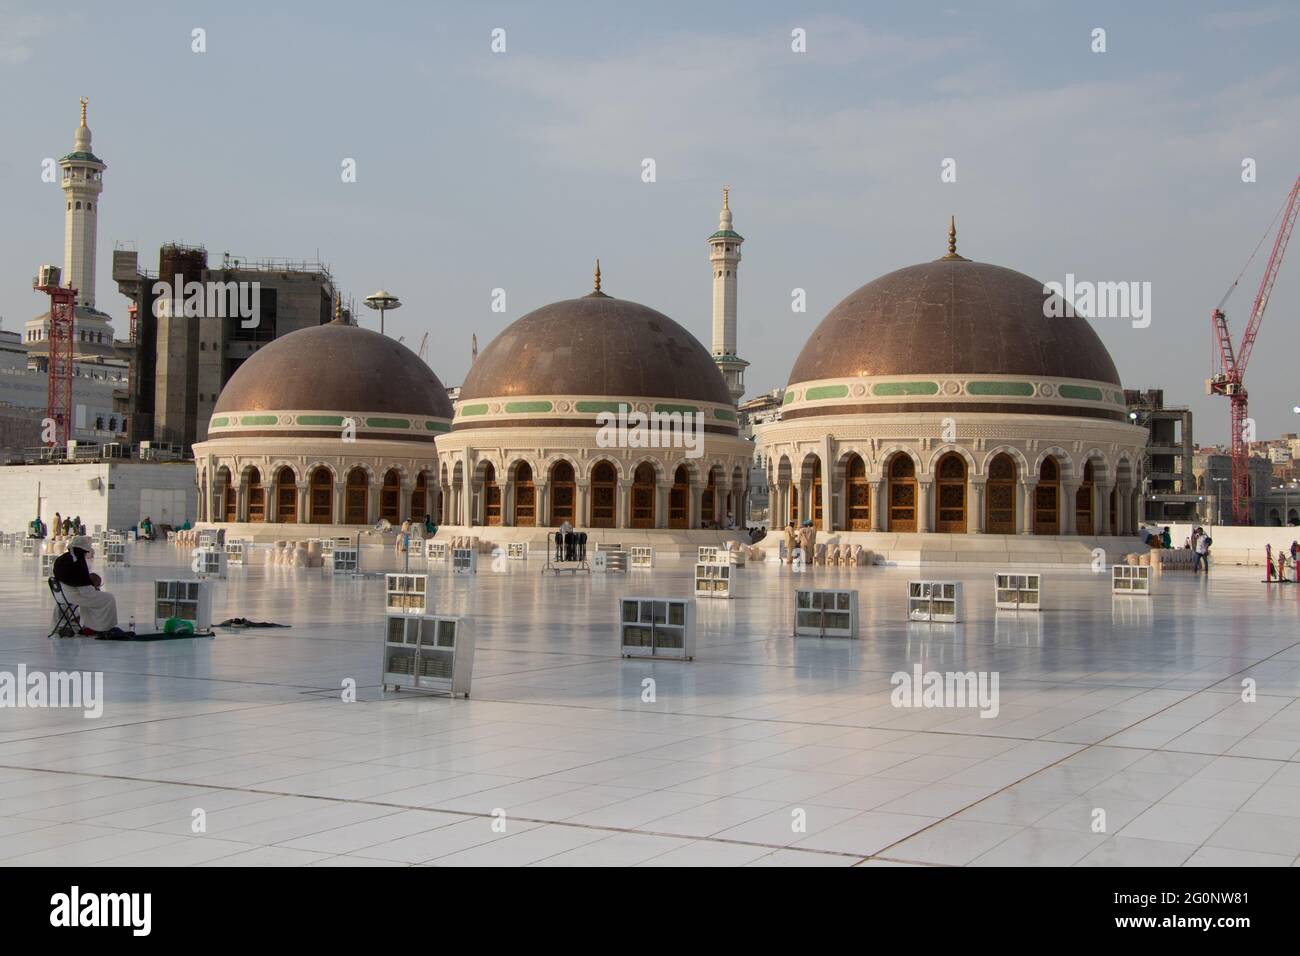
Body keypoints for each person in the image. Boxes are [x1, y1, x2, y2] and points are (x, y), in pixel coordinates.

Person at [52, 535, 120, 635]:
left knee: (91, 600)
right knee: (109, 598)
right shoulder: (78, 562)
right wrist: (94, 589)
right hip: (73, 596)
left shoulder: (62, 558)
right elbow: (85, 591)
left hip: (61, 595)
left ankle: (89, 625)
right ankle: (104, 627)